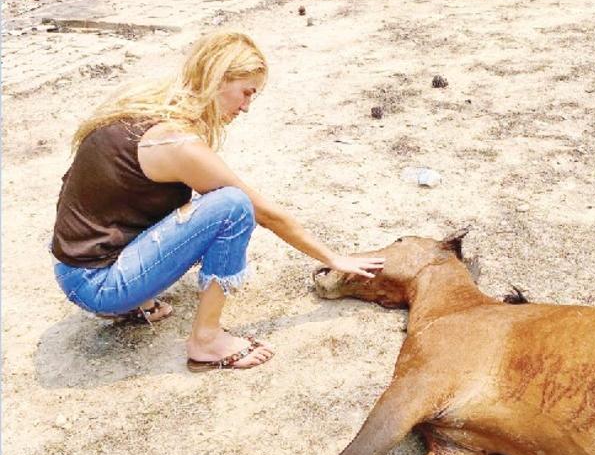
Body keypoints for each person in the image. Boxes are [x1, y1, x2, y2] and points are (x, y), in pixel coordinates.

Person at [51, 31, 384, 371]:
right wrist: (333, 257)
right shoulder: (175, 143)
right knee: (233, 206)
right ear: (218, 79)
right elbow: (264, 214)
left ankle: (136, 300)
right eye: (245, 93)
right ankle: (206, 340)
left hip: (75, 269)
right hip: (98, 284)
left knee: (197, 201)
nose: (246, 106)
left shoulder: (143, 109)